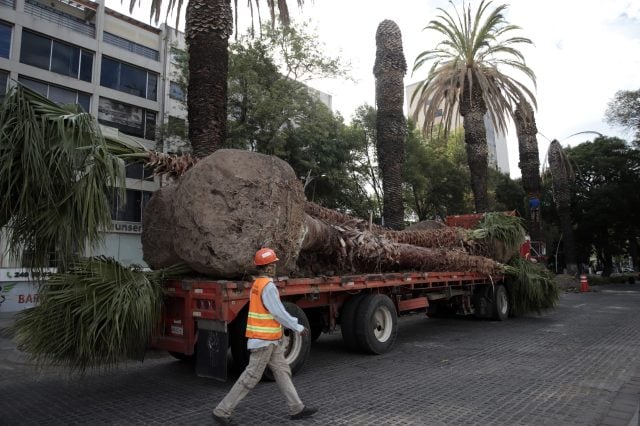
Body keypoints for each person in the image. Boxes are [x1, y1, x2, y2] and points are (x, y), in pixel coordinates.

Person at [212, 248, 318, 425]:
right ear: (268, 267)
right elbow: (278, 312)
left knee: (282, 371)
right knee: (250, 377)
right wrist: (297, 326)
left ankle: (296, 407)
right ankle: (222, 410)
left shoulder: (257, 284)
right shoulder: (267, 287)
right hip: (264, 342)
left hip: (271, 341)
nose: (275, 267)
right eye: (273, 264)